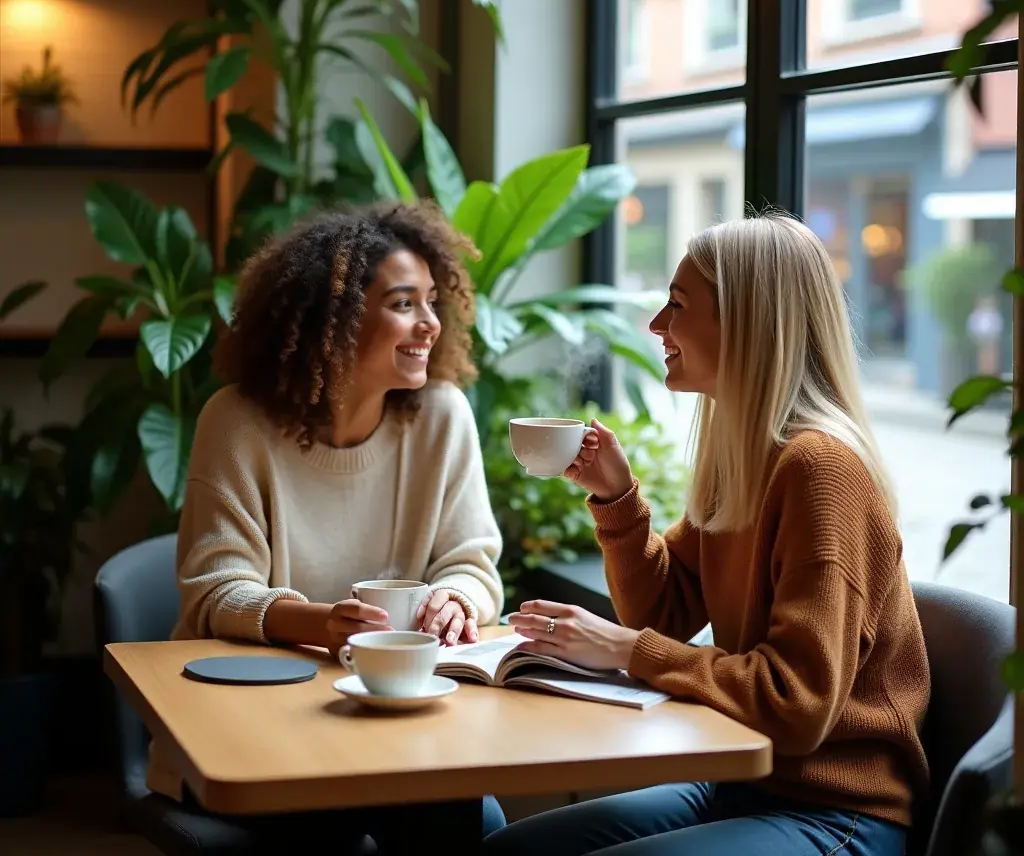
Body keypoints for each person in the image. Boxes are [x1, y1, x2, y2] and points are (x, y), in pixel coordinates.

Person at [485, 214, 930, 856]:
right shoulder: (746, 460)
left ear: (748, 323)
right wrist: (616, 499)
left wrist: (625, 649)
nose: (657, 325)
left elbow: (797, 703)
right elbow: (663, 612)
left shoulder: (820, 470)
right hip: (740, 783)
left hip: (840, 812)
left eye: (678, 305)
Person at [148, 202, 506, 844]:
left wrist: (457, 600)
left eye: (431, 301)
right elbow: (215, 592)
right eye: (404, 304)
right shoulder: (236, 424)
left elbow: (471, 561)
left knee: (461, 815)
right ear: (333, 323)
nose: (430, 323)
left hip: (398, 727)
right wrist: (324, 624)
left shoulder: (443, 418)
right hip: (250, 728)